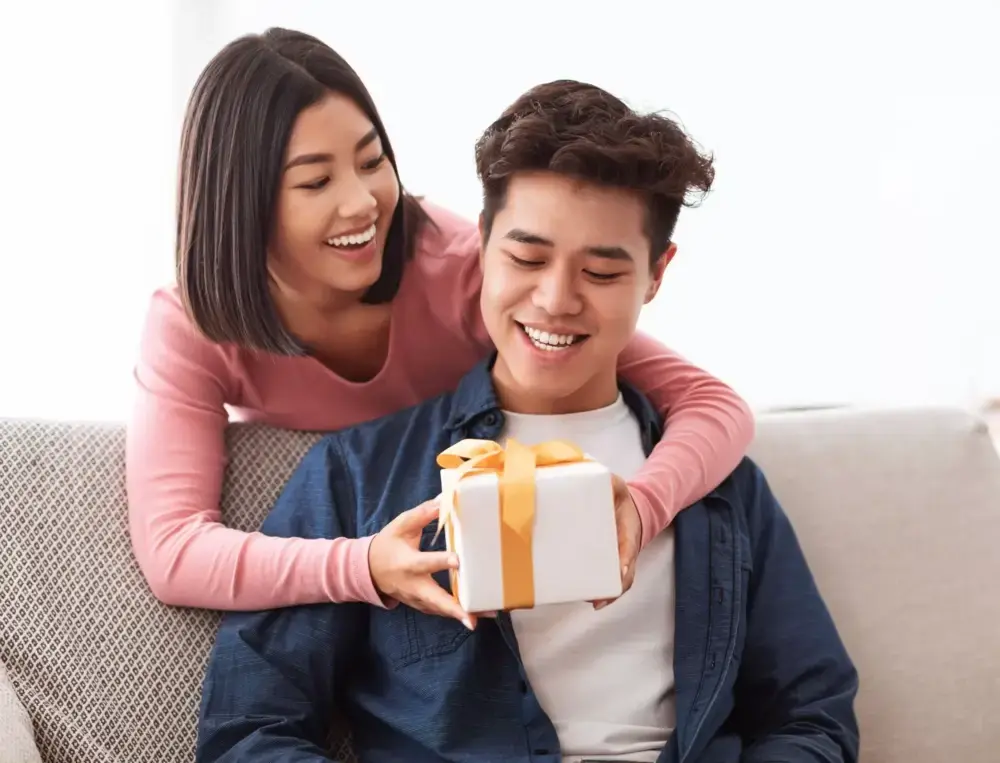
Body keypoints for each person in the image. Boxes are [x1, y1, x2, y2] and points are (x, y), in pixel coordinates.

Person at [195, 79, 859, 763]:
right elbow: (248, 731)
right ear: (480, 245)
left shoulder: (722, 488)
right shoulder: (359, 476)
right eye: (527, 258)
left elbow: (811, 717)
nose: (555, 299)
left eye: (602, 273)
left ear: (656, 276)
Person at [126, 27, 754, 621]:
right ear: (243, 200)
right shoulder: (190, 327)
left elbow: (712, 403)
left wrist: (641, 508)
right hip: (356, 544)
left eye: (372, 162)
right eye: (316, 180)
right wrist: (363, 563)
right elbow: (174, 550)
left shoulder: (461, 270)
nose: (362, 201)